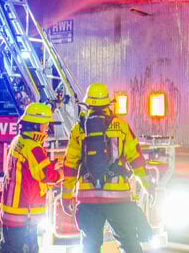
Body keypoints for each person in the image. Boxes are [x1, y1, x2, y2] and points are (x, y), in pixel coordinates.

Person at [63, 83, 154, 253]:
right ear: (108, 104)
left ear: (88, 104)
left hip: (88, 199)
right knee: (129, 244)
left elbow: (70, 165)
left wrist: (66, 196)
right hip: (118, 197)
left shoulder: (78, 129)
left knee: (90, 246)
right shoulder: (121, 126)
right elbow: (136, 160)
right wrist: (149, 187)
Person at [0, 102, 64, 253]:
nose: (47, 129)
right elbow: (46, 175)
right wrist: (62, 173)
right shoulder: (33, 147)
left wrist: (52, 165)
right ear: (36, 126)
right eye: (44, 125)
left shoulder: (18, 141)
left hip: (11, 212)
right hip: (23, 215)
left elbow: (30, 171)